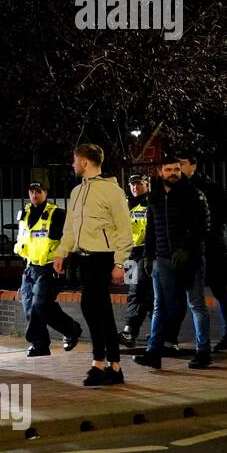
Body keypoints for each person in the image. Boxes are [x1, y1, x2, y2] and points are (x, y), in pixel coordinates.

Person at [51, 144, 133, 387]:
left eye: (75, 160)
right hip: (83, 258)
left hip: (102, 257)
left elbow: (124, 229)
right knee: (102, 311)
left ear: (85, 162)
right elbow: (70, 227)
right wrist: (61, 253)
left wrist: (120, 263)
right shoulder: (77, 192)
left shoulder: (112, 191)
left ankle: (100, 362)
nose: (73, 164)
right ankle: (113, 365)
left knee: (90, 305)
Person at [133, 156, 212, 370]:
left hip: (190, 258)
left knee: (196, 304)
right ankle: (153, 352)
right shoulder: (155, 196)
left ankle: (203, 351)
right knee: (160, 306)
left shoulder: (193, 194)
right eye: (168, 169)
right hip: (161, 259)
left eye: (176, 169)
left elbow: (203, 226)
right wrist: (149, 255)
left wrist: (186, 249)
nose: (173, 173)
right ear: (161, 172)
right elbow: (150, 229)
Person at [180, 154, 227, 352]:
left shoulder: (209, 187)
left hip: (212, 247)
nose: (178, 169)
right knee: (184, 294)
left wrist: (211, 222)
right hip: (189, 248)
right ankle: (169, 336)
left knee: (220, 292)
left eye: (182, 164)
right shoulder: (177, 188)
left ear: (193, 166)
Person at [14, 181, 82, 357]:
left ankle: (72, 329)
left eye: (38, 191)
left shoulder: (57, 214)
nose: (35, 194)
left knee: (41, 304)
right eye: (31, 191)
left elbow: (69, 240)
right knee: (29, 307)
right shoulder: (25, 214)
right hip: (30, 267)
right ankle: (40, 345)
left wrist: (65, 263)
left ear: (45, 193)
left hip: (49, 268)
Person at [118, 173, 152, 350]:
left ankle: (129, 330)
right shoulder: (126, 205)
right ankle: (149, 333)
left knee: (137, 290)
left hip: (147, 253)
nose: (135, 187)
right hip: (131, 255)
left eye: (138, 184)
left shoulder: (151, 203)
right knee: (137, 293)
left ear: (147, 185)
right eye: (132, 185)